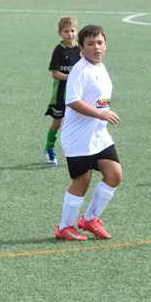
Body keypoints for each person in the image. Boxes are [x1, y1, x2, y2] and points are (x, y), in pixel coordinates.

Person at [54, 24, 121, 241]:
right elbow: (72, 100)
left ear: (106, 45)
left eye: (100, 43)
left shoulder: (100, 67)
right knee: (82, 183)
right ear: (81, 48)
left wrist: (102, 114)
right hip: (79, 138)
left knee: (114, 174)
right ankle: (64, 227)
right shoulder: (80, 70)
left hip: (99, 136)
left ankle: (90, 219)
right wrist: (100, 114)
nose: (96, 47)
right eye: (90, 44)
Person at [44, 16, 80, 166]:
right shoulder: (59, 50)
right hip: (61, 92)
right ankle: (49, 149)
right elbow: (54, 73)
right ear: (60, 33)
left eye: (72, 30)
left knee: (79, 120)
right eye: (66, 31)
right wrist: (69, 77)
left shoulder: (80, 48)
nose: (70, 34)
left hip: (77, 92)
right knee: (57, 122)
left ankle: (79, 150)